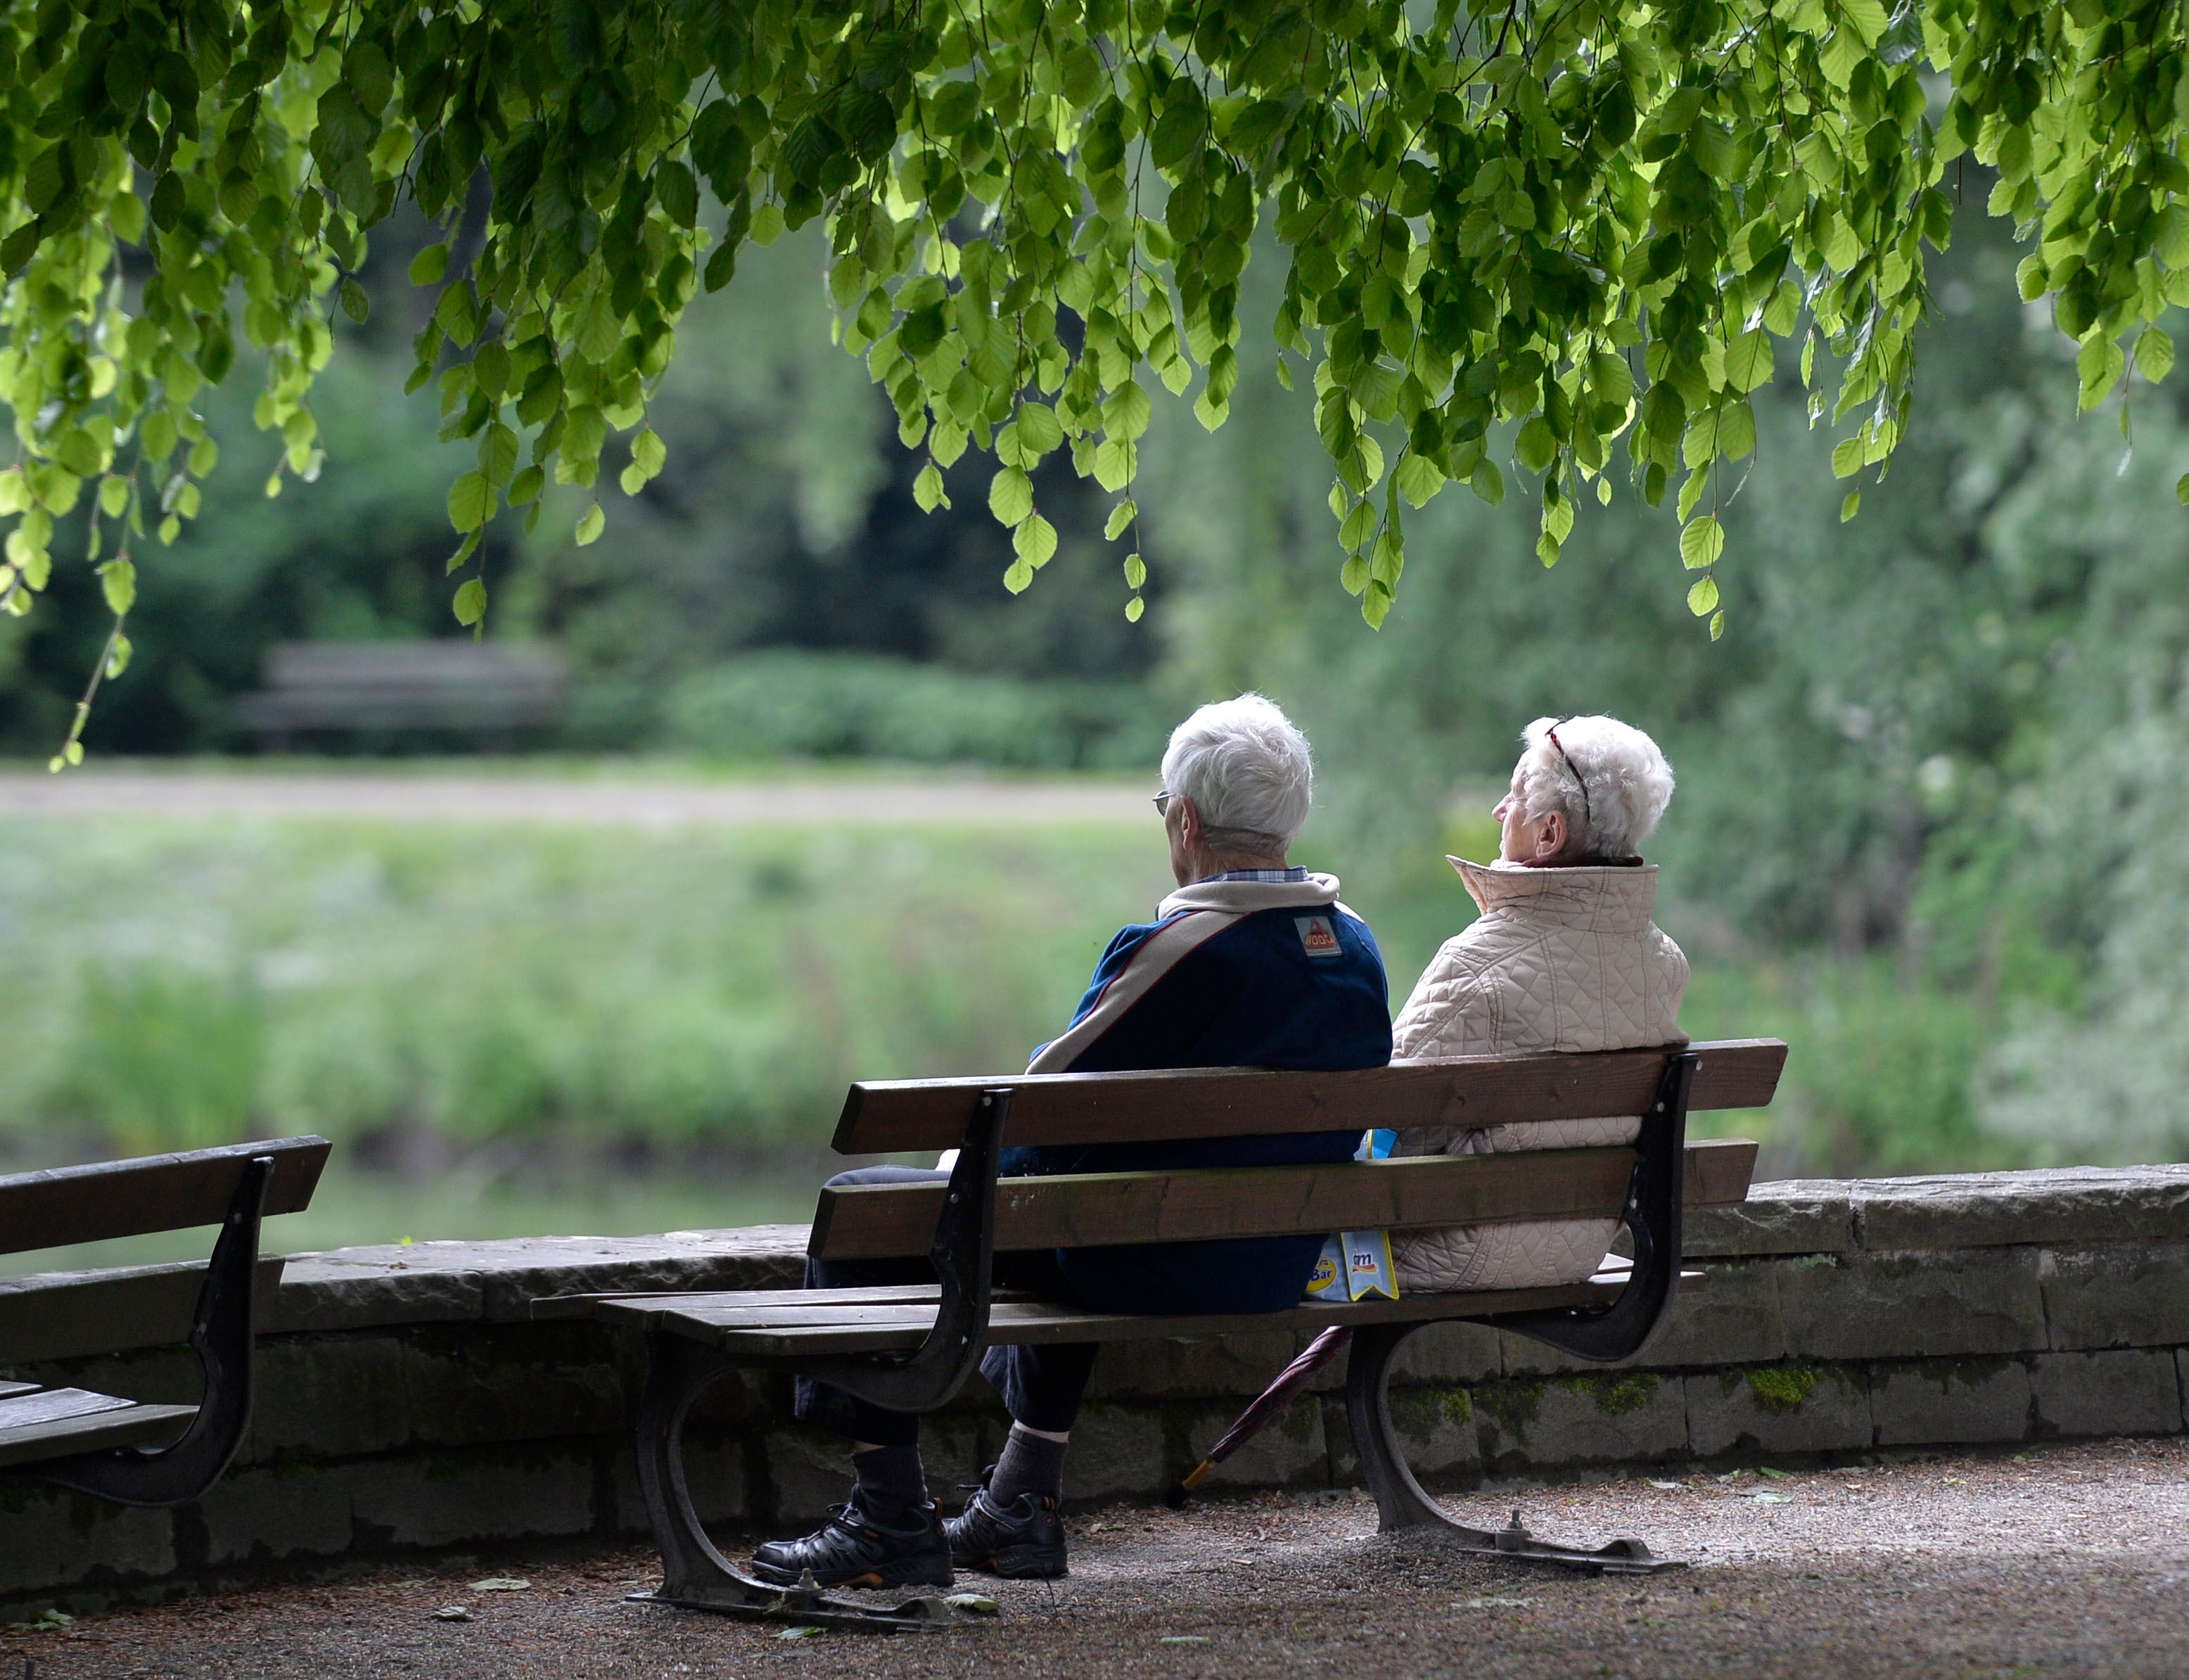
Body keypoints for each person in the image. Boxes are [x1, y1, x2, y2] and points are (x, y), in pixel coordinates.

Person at [750, 694, 1391, 1589]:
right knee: (1079, 1198)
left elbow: (1033, 1103)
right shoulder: (1354, 948)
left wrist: (954, 1186)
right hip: (1274, 1261)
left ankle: (889, 1515)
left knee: (875, 1208)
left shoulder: (1184, 948)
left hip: (1158, 1261)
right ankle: (1021, 1501)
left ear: (1186, 820)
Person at [1385, 714, 1688, 1294]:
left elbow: (1385, 1119)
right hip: (1576, 1252)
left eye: (1517, 793)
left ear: (1549, 836)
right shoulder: (1665, 964)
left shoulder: (1480, 962)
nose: (1500, 810)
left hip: (1452, 1251)